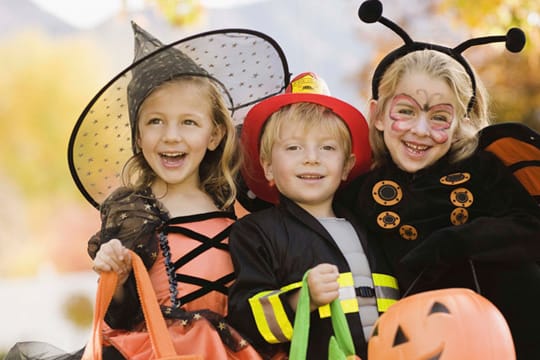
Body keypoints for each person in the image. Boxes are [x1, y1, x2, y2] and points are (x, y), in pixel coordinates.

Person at [5, 22, 289, 360]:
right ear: (138, 137)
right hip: (159, 350)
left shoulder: (236, 201)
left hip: (237, 348)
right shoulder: (135, 212)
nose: (171, 136)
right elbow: (119, 316)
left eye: (189, 122)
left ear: (213, 136)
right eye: (156, 121)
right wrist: (119, 278)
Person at [340, 1, 540, 358]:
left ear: (460, 122)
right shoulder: (358, 193)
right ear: (379, 114)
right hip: (415, 342)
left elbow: (531, 227)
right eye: (405, 111)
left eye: (439, 117)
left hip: (515, 333)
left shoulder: (485, 169)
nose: (420, 131)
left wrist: (454, 242)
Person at [227, 72, 400, 360]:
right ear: (267, 167)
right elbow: (243, 319)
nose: (312, 158)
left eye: (328, 148)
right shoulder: (256, 233)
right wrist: (300, 300)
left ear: (347, 166)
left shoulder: (373, 225)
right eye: (294, 147)